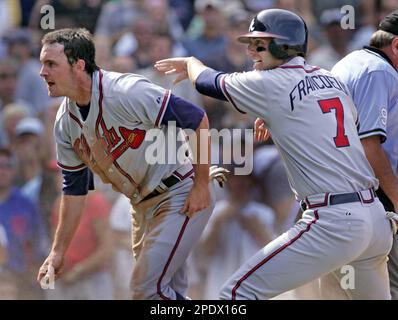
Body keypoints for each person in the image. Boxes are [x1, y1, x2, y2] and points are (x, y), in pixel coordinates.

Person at [155, 8, 394, 299]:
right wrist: (279, 117)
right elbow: (338, 123)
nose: (252, 51)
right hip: (374, 221)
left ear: (284, 45)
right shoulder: (329, 78)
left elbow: (207, 82)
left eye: (260, 44)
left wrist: (192, 62)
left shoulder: (272, 83)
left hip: (334, 220)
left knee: (234, 295)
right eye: (250, 44)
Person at [36, 28, 218, 300]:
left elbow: (197, 118)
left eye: (51, 64)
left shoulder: (125, 91)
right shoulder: (65, 123)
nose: (43, 72)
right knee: (166, 293)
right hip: (141, 207)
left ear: (78, 65)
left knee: (145, 290)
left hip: (178, 192)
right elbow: (74, 190)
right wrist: (58, 250)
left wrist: (202, 184)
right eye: (42, 64)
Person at [331, 9, 398, 299]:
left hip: (336, 202)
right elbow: (371, 145)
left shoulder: (348, 62)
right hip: (374, 201)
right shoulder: (378, 71)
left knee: (337, 293)